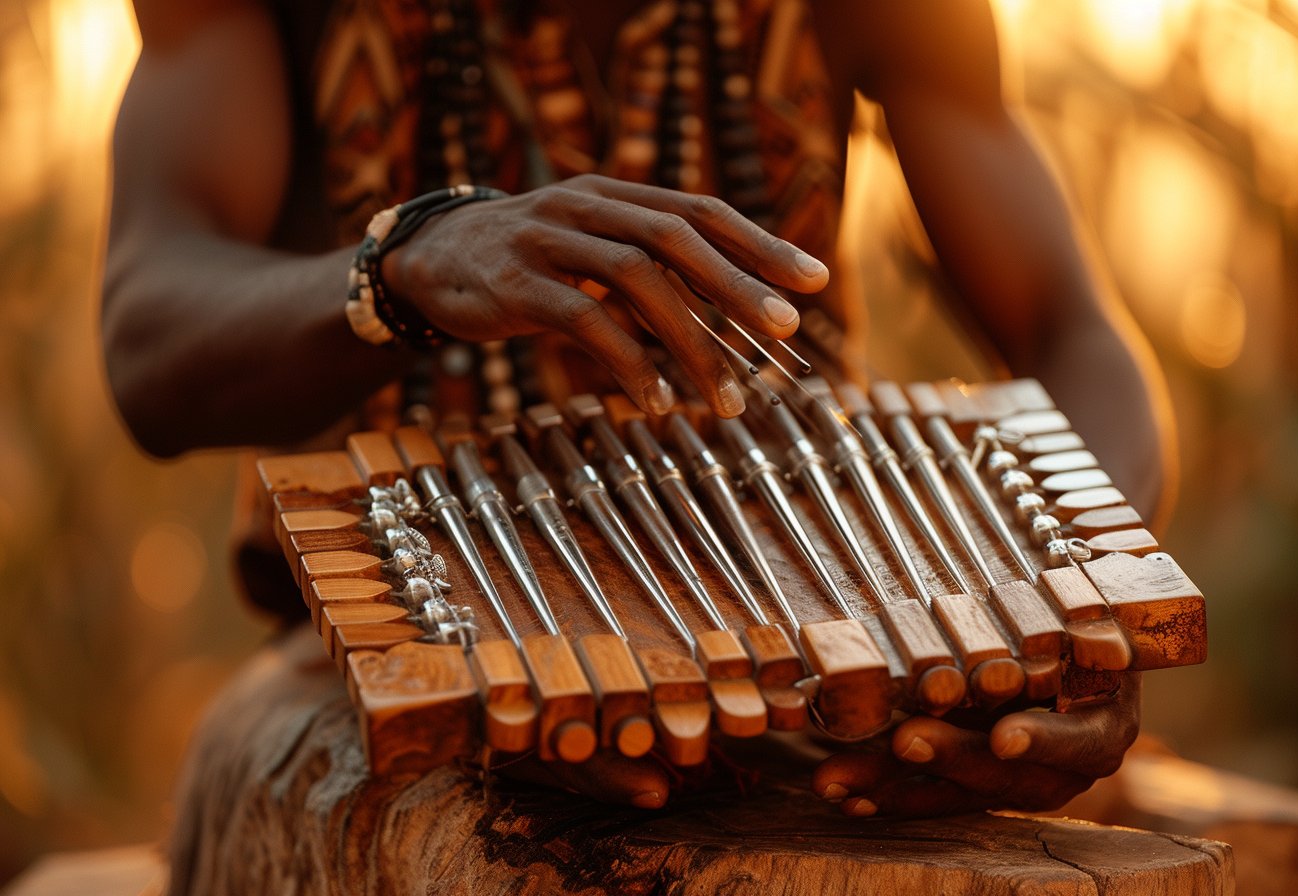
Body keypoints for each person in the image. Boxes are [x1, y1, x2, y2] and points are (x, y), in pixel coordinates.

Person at [102, 0, 1171, 821]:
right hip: (392, 678)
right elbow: (150, 339)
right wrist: (406, 266)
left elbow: (1069, 332)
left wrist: (1078, 618)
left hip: (830, 655)